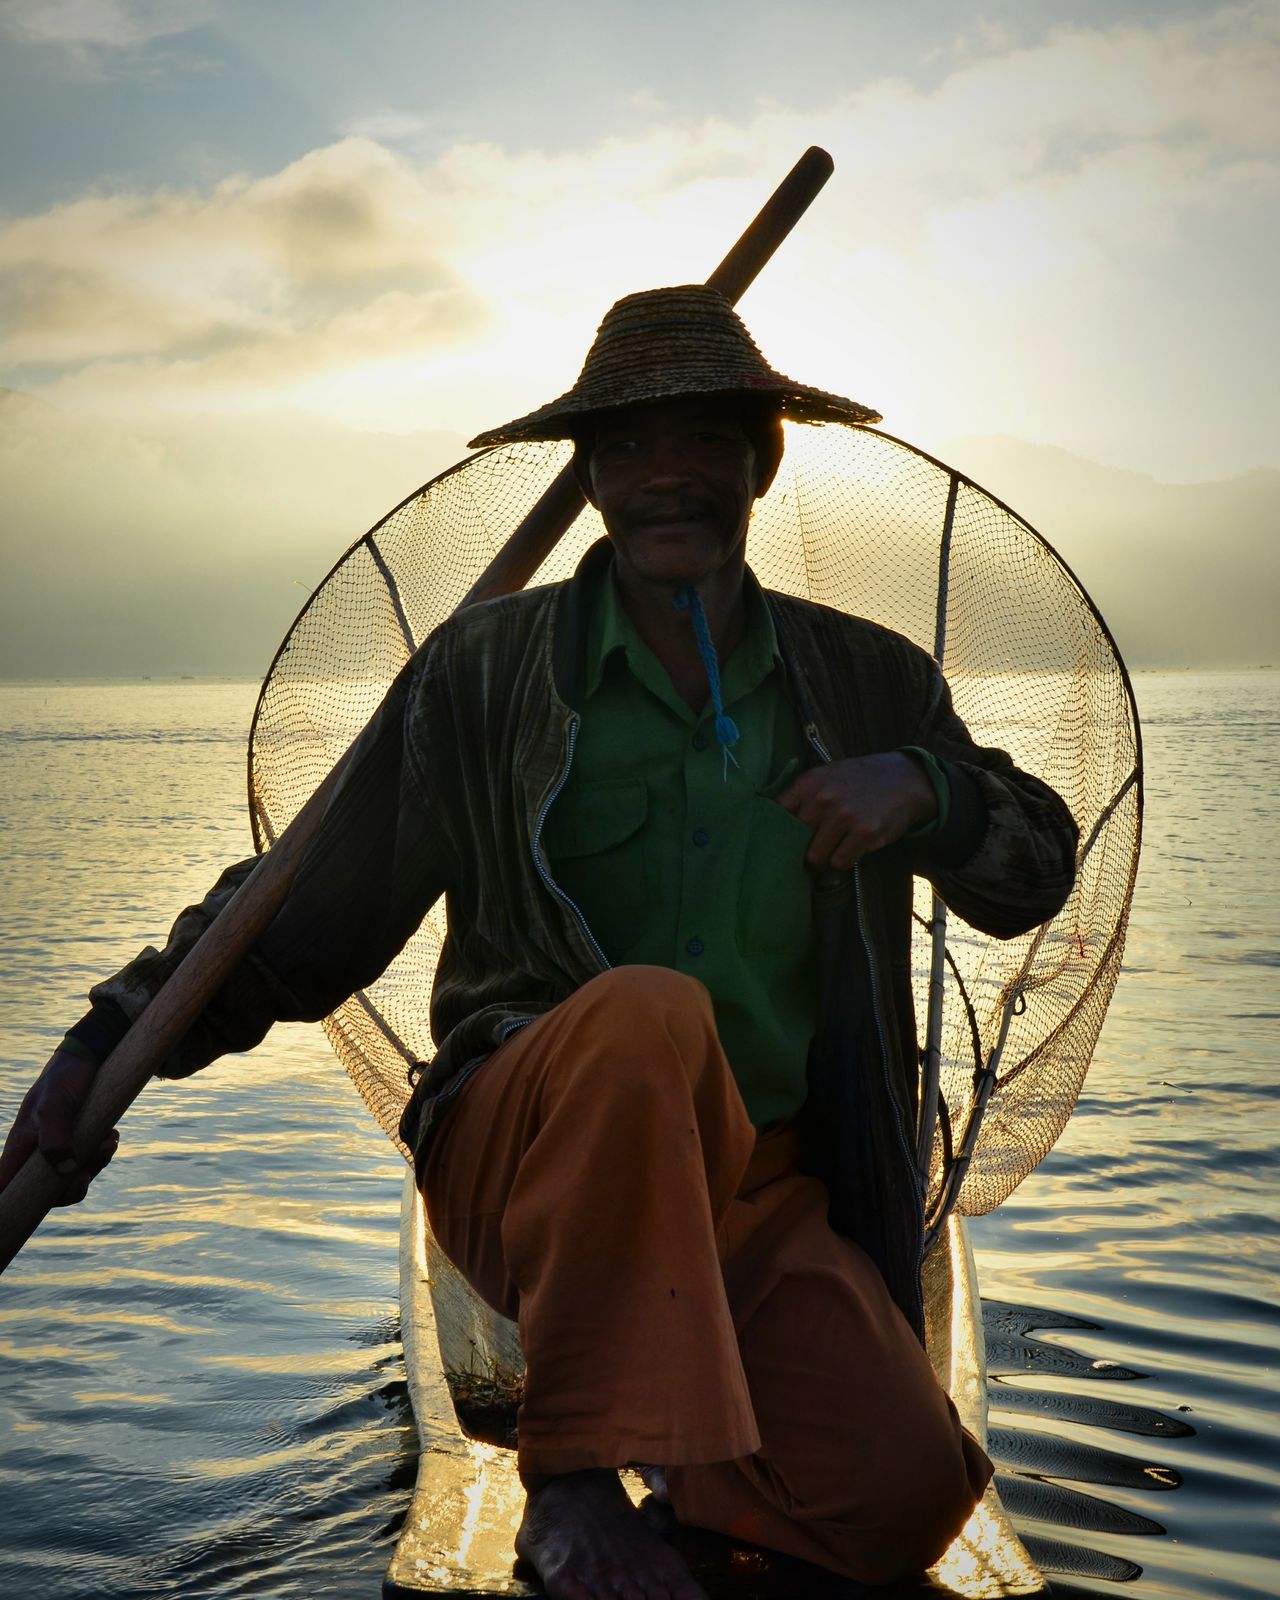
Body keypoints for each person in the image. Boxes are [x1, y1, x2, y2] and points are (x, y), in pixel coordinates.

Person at [0, 286, 1079, 1600]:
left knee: (904, 1500)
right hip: (527, 1152)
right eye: (628, 447)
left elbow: (1031, 868)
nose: (668, 476)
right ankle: (567, 1487)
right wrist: (108, 1033)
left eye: (705, 443)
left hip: (759, 1190)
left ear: (763, 462)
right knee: (645, 1017)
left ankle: (690, 1464)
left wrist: (928, 788)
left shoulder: (867, 681)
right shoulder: (487, 672)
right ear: (589, 477)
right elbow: (302, 911)